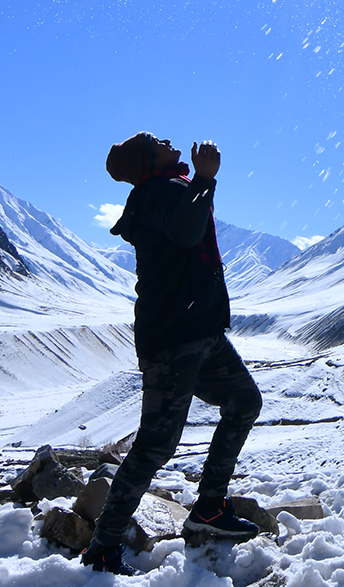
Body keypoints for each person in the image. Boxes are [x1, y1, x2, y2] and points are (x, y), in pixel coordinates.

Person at [81, 131, 263, 574]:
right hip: (175, 339)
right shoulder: (155, 193)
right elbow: (186, 232)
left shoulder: (166, 188)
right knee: (155, 445)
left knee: (244, 401)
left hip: (198, 331)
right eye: (155, 140)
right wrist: (204, 179)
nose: (166, 139)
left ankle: (210, 507)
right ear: (147, 159)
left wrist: (199, 182)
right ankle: (103, 547)